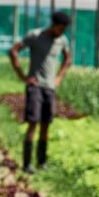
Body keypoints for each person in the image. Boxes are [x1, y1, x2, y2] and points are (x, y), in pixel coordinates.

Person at [8, 10, 72, 173]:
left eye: (64, 30)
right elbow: (14, 51)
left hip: (49, 88)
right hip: (35, 86)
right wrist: (22, 76)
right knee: (33, 123)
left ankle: (42, 161)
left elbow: (67, 59)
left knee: (46, 125)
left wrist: (58, 78)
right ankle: (27, 163)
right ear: (53, 25)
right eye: (60, 28)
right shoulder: (35, 36)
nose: (61, 32)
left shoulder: (62, 40)